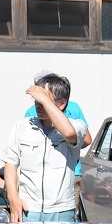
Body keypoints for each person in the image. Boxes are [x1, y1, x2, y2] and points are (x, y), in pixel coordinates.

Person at [0, 73, 87, 223]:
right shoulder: (22, 126)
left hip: (62, 210)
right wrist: (13, 198)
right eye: (36, 100)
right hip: (28, 209)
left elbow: (69, 133)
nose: (38, 104)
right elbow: (10, 162)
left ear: (62, 104)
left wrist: (45, 100)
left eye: (44, 99)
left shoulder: (77, 125)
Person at [24, 70, 91, 214]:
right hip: (54, 178)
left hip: (68, 176)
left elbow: (85, 138)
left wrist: (71, 145)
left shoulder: (71, 109)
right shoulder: (32, 112)